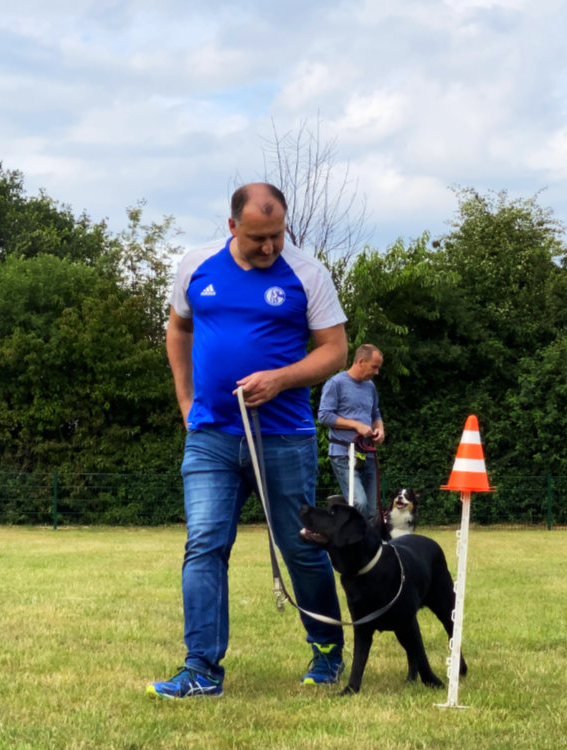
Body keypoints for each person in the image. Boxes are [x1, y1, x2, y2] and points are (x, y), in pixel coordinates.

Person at [147, 183, 347, 699]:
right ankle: (202, 670)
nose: (269, 247)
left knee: (301, 548)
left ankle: (327, 649)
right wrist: (185, 400)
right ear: (233, 226)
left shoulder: (308, 274)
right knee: (205, 545)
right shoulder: (196, 265)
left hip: (283, 437)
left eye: (277, 235)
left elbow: (334, 352)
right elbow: (177, 327)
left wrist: (281, 379)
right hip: (210, 435)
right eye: (258, 237)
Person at [317, 345, 386, 527]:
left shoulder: (370, 386)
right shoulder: (336, 383)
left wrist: (379, 428)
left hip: (366, 453)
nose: (377, 372)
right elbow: (324, 416)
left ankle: (367, 551)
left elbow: (375, 413)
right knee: (359, 503)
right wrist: (356, 425)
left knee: (371, 510)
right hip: (343, 453)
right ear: (361, 362)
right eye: (374, 367)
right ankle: (347, 538)